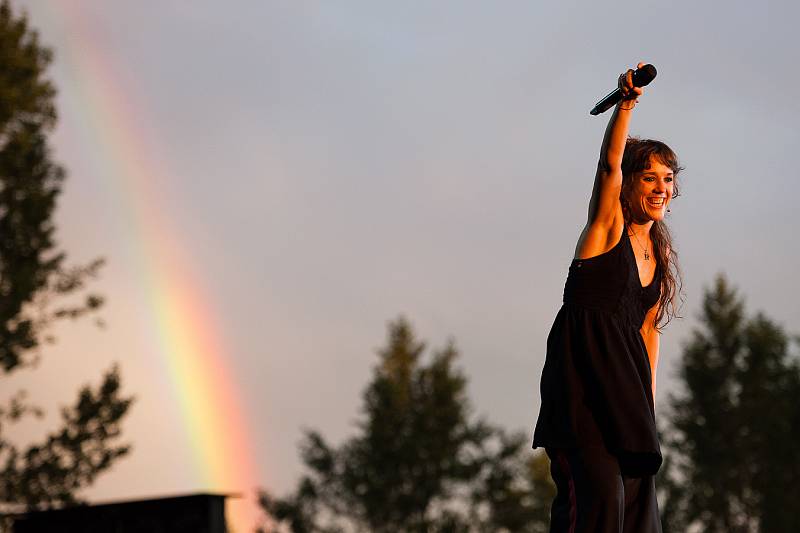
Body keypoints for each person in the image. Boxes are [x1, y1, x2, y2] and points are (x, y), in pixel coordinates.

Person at [531, 62, 684, 533]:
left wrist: (648, 407)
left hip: (629, 410)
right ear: (631, 185)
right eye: (650, 177)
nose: (661, 188)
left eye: (668, 179)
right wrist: (626, 105)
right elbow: (609, 166)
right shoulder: (605, 230)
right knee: (598, 511)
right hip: (583, 405)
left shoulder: (657, 262)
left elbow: (647, 338)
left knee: (640, 522)